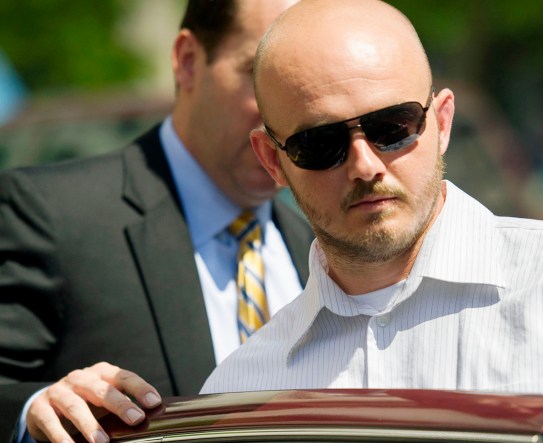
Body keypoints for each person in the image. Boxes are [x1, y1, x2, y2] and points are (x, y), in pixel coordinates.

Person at [200, 0, 543, 441]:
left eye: (393, 125)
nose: (365, 164)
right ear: (272, 160)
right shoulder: (243, 393)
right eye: (320, 143)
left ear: (441, 121)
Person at [0, 1, 312, 442]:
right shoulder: (52, 213)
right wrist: (37, 409)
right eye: (263, 75)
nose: (289, 114)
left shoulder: (318, 246)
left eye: (305, 86)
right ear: (188, 62)